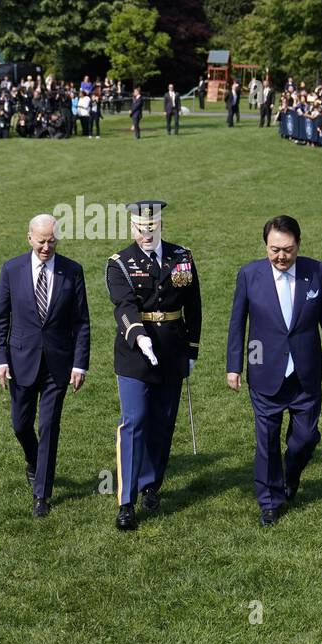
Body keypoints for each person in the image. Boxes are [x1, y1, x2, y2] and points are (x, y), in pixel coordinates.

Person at [226, 215, 322, 525]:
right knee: (266, 440)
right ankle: (269, 502)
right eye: (274, 249)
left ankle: (291, 475)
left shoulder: (316, 272)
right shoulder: (249, 275)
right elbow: (237, 324)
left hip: (305, 374)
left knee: (305, 438)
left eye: (287, 250)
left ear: (298, 246)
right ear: (266, 246)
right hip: (263, 371)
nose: (280, 256)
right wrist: (233, 367)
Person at [105, 200, 202, 531]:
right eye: (139, 228)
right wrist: (139, 336)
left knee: (162, 423)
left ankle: (151, 484)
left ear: (160, 225)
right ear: (131, 227)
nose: (145, 234)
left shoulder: (181, 258)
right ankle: (126, 502)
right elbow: (124, 304)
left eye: (152, 227)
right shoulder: (120, 263)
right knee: (134, 421)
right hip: (134, 355)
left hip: (172, 351)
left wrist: (191, 350)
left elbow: (193, 306)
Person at [0, 214, 91, 518]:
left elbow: (82, 323)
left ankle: (41, 494)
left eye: (52, 240)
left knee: (48, 426)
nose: (46, 246)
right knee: (20, 425)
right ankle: (34, 461)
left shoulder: (72, 271)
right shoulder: (12, 270)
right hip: (20, 362)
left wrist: (80, 364)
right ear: (29, 238)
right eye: (41, 240)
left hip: (58, 365)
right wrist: (0, 361)